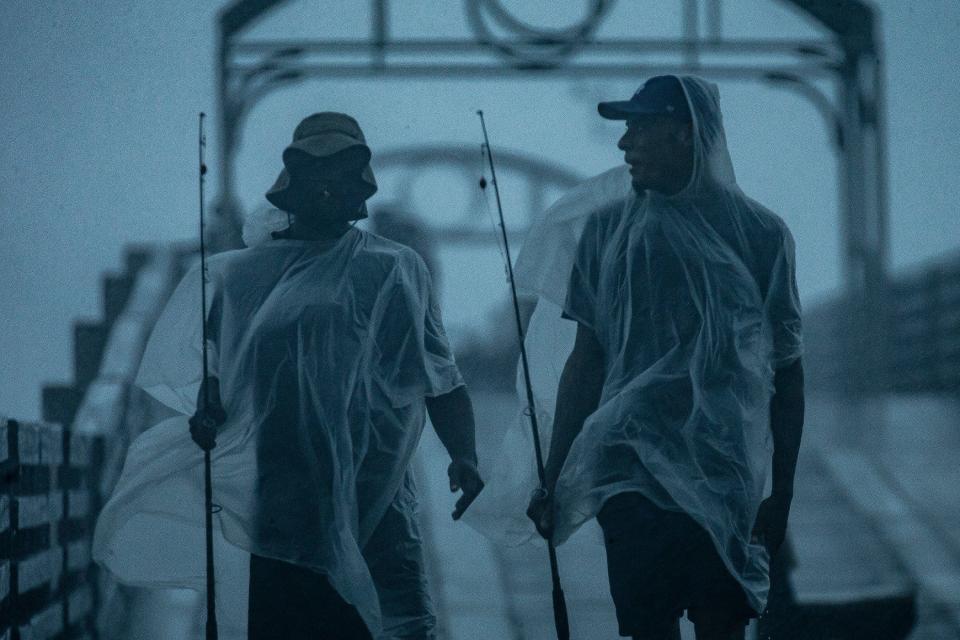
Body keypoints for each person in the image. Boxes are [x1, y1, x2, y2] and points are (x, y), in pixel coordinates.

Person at [94, 112, 483, 639]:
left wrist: (464, 455)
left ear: (358, 186)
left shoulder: (392, 269)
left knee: (388, 624)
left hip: (374, 488)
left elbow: (438, 373)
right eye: (315, 173)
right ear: (292, 185)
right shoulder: (241, 276)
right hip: (281, 496)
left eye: (342, 173)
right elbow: (219, 368)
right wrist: (208, 406)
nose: (328, 187)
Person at [522, 76, 805, 640]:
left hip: (722, 469)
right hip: (630, 465)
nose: (624, 144)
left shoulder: (761, 236)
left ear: (685, 133)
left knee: (720, 623)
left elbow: (787, 366)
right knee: (650, 626)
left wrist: (784, 490)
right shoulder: (606, 232)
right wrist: (553, 475)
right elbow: (588, 360)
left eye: (640, 127)